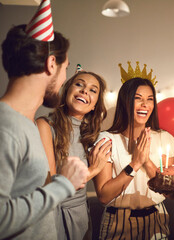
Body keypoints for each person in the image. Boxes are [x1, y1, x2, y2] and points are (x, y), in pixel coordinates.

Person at [0, 2, 89, 238]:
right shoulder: (5, 126)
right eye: (65, 69)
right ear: (51, 64)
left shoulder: (24, 124)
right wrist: (64, 185)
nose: (64, 79)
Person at [94, 62, 174, 240]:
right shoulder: (107, 139)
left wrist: (146, 160)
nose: (145, 104)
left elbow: (168, 191)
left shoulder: (164, 138)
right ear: (125, 101)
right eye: (138, 98)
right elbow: (104, 195)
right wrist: (134, 164)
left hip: (157, 218)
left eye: (150, 99)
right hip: (118, 222)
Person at [36, 66, 112, 240]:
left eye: (93, 90)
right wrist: (93, 170)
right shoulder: (45, 126)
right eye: (79, 84)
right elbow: (49, 186)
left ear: (94, 105)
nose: (85, 91)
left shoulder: (91, 136)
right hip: (54, 217)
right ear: (67, 91)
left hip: (81, 217)